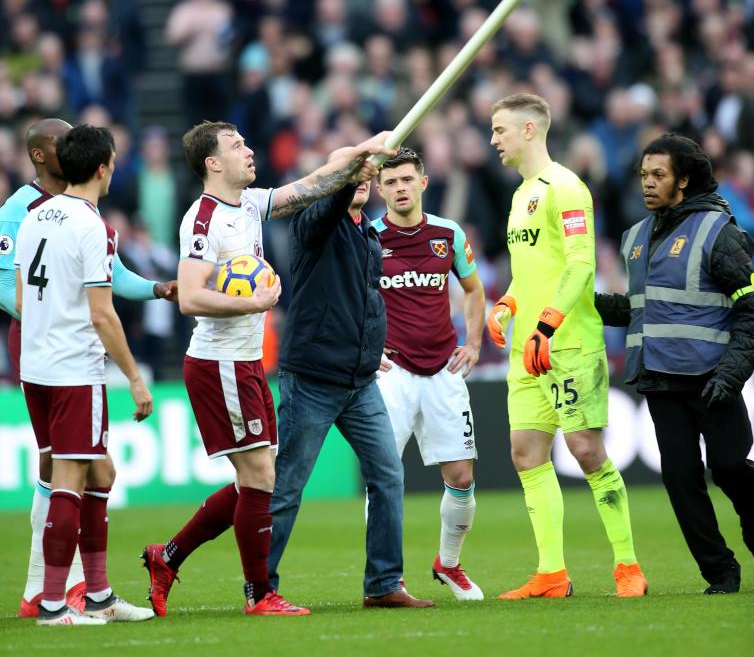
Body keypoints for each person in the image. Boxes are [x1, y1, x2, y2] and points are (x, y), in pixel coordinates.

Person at [141, 122, 395, 616]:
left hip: (246, 360)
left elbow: (316, 182)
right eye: (236, 146)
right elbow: (190, 297)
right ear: (213, 163)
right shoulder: (202, 219)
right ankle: (260, 594)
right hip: (219, 363)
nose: (249, 150)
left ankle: (167, 557)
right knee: (261, 476)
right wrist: (252, 302)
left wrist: (362, 150)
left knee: (253, 481)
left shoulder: (251, 204)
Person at [0, 117, 177, 619]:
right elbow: (99, 309)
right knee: (68, 477)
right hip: (71, 364)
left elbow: (95, 275)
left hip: (37, 361)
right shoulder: (70, 221)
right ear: (105, 168)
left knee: (100, 471)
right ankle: (52, 601)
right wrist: (137, 380)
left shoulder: (39, 215)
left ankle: (96, 594)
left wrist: (157, 287)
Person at [487, 93, 647, 598]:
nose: (493, 140)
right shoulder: (520, 196)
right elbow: (531, 270)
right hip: (528, 347)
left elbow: (581, 263)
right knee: (526, 453)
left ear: (529, 130)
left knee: (585, 449)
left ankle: (628, 568)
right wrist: (508, 304)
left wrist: (549, 322)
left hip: (568, 343)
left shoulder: (566, 188)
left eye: (500, 130)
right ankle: (552, 573)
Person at [267, 155, 434, 609]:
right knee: (286, 487)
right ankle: (261, 586)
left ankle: (383, 584)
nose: (361, 185)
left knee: (387, 475)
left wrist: (368, 346)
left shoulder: (366, 235)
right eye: (352, 180)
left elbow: (361, 301)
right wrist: (346, 178)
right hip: (313, 380)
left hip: (359, 383)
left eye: (364, 180)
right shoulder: (312, 223)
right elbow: (328, 204)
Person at [596, 133, 754, 594]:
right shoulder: (636, 238)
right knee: (681, 481)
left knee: (728, 467)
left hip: (712, 379)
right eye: (644, 175)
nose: (647, 183)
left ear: (683, 181)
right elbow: (642, 308)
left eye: (658, 175)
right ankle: (720, 572)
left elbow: (750, 309)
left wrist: (730, 375)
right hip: (661, 381)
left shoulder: (718, 233)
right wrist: (587, 305)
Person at [373, 147, 485, 600]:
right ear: (379, 190)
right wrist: (364, 347)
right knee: (383, 477)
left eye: (406, 179)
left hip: (443, 368)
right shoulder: (367, 235)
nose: (399, 188)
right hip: (390, 372)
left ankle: (449, 564)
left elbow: (474, 290)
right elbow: (346, 298)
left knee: (460, 477)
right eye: (390, 182)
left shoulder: (448, 234)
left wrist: (474, 342)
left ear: (422, 182)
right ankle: (386, 577)